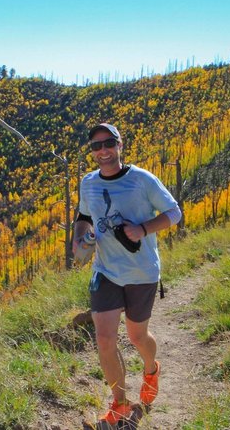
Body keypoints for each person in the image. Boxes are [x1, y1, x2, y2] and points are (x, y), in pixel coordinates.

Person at [73, 123, 182, 426]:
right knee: (105, 339)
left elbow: (174, 212)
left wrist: (143, 229)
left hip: (141, 271)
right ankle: (119, 404)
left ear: (120, 145)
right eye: (96, 146)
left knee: (136, 336)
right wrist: (78, 239)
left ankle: (150, 369)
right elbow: (82, 216)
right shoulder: (89, 182)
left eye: (109, 143)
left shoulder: (142, 180)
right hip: (105, 271)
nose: (103, 151)